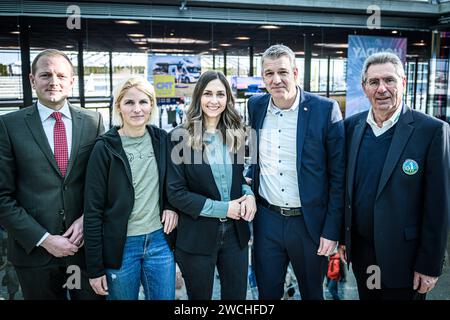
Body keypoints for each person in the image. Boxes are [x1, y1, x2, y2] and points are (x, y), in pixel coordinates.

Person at [341, 52, 450, 300]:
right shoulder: (351, 128)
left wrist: (430, 265)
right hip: (362, 254)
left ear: (403, 82)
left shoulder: (431, 131)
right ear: (364, 87)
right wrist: (343, 236)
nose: (382, 89)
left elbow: (439, 207)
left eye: (389, 80)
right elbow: (347, 188)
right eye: (374, 82)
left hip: (406, 258)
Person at [0, 49, 105, 300]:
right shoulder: (8, 125)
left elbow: (105, 184)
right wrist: (45, 239)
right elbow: (2, 196)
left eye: (61, 75)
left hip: (85, 250)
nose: (53, 81)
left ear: (72, 81)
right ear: (32, 80)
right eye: (45, 74)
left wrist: (85, 219)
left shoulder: (93, 122)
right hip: (35, 254)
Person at [245, 44, 345, 300]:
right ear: (263, 77)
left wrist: (332, 230)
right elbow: (252, 160)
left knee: (313, 294)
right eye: (269, 73)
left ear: (295, 73)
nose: (276, 80)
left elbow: (338, 177)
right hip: (267, 221)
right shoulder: (255, 106)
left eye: (282, 72)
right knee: (267, 295)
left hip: (308, 224)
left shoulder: (325, 109)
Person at [83, 76, 178, 300]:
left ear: (152, 105)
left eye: (143, 102)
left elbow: (175, 183)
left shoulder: (162, 140)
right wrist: (95, 268)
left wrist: (171, 206)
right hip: (121, 247)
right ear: (118, 107)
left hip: (160, 242)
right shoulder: (104, 148)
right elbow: (93, 210)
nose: (137, 109)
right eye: (129, 103)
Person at [167, 70, 256, 300]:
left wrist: (249, 195)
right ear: (198, 98)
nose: (214, 101)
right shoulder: (180, 137)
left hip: (236, 236)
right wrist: (224, 208)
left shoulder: (236, 134)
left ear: (228, 98)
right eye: (208, 94)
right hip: (197, 236)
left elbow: (239, 180)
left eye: (220, 94)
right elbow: (176, 193)